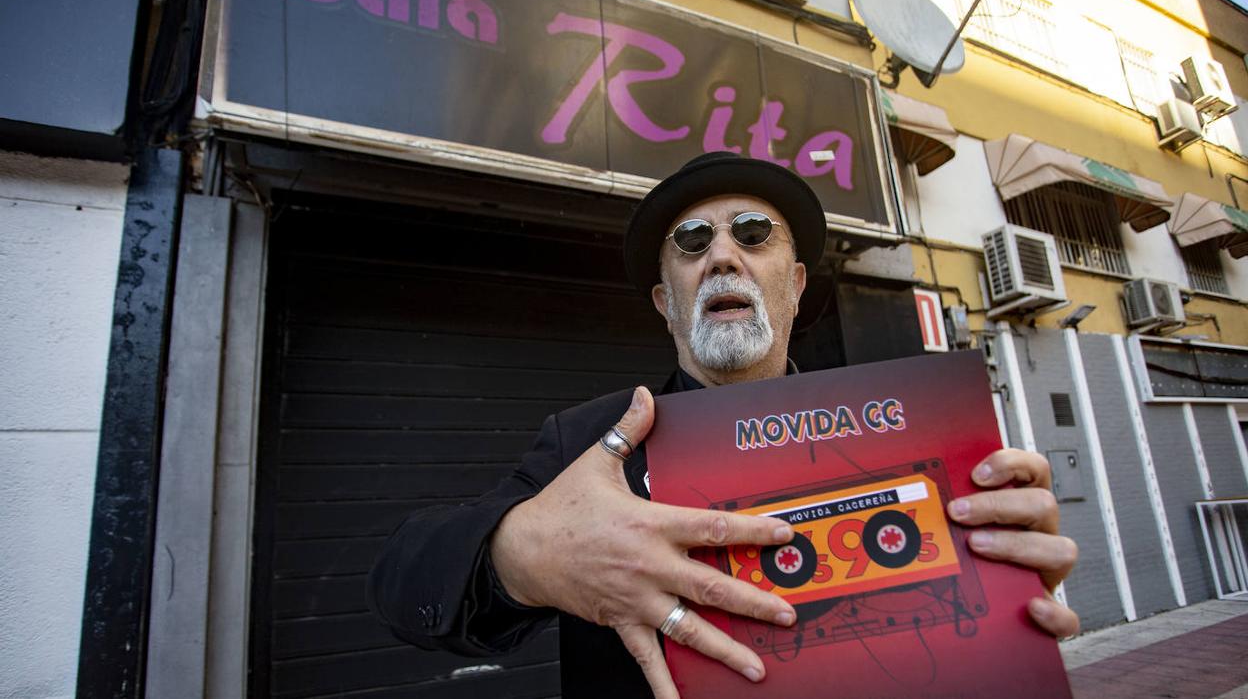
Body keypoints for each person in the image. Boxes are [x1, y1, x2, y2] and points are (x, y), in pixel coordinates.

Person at [367, 151, 1080, 699]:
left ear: (796, 285)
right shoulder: (587, 444)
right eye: (691, 242)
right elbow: (402, 581)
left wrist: (1009, 602)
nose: (722, 255)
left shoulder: (898, 433)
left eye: (752, 233)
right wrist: (525, 554)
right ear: (665, 302)